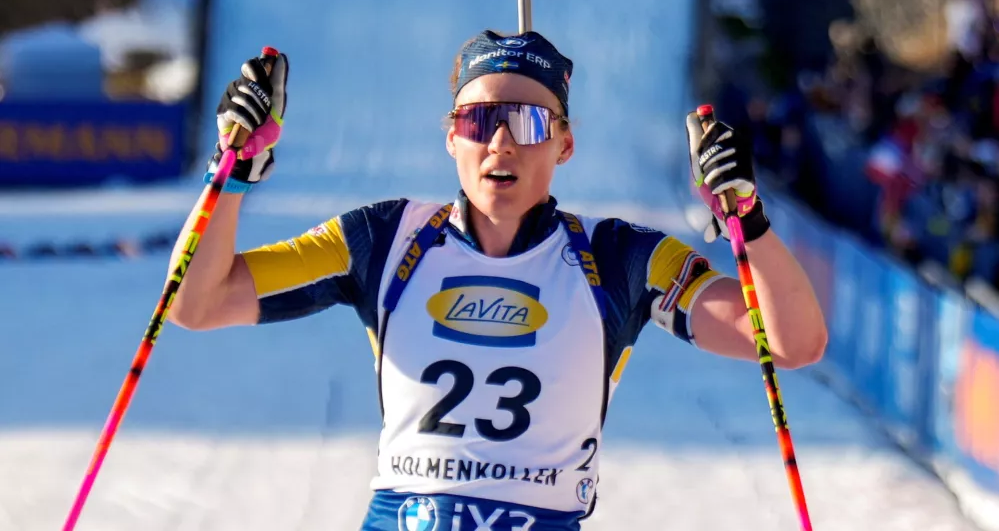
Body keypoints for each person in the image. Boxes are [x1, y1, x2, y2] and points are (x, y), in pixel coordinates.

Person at [166, 29, 828, 531]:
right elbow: (196, 302)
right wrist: (231, 171)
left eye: (529, 121)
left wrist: (749, 221)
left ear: (564, 143)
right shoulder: (383, 239)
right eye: (478, 121)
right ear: (449, 137)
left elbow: (790, 343)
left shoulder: (618, 257)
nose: (501, 143)